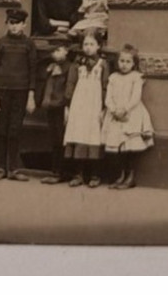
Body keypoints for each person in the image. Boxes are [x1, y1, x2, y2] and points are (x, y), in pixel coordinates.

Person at [0, 7, 36, 181]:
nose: (14, 27)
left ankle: (14, 169)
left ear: (24, 24)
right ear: (7, 24)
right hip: (3, 91)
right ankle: (1, 168)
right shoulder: (0, 43)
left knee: (15, 130)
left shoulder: (29, 44)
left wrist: (31, 96)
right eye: (11, 23)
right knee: (2, 130)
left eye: (17, 23)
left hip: (21, 92)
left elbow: (33, 71)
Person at [102, 44, 154, 190]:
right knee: (118, 147)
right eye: (121, 61)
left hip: (131, 113)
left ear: (134, 64)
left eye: (128, 62)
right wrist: (113, 110)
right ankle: (121, 175)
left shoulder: (136, 77)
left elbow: (135, 97)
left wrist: (124, 109)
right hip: (115, 114)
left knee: (129, 147)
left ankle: (130, 177)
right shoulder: (113, 77)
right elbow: (108, 98)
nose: (124, 65)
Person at [63, 31, 109, 187]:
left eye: (91, 44)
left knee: (93, 134)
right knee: (78, 133)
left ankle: (95, 174)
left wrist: (103, 106)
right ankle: (78, 173)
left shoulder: (103, 64)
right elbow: (70, 83)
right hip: (79, 103)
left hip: (94, 103)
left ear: (98, 46)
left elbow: (104, 86)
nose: (88, 48)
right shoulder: (77, 63)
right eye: (85, 44)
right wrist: (68, 105)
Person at [35, 41, 74, 185]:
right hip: (51, 106)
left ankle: (61, 172)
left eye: (59, 50)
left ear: (66, 51)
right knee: (54, 138)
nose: (55, 54)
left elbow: (69, 88)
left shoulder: (70, 67)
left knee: (61, 139)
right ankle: (56, 171)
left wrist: (67, 106)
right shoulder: (50, 67)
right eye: (53, 51)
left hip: (62, 107)